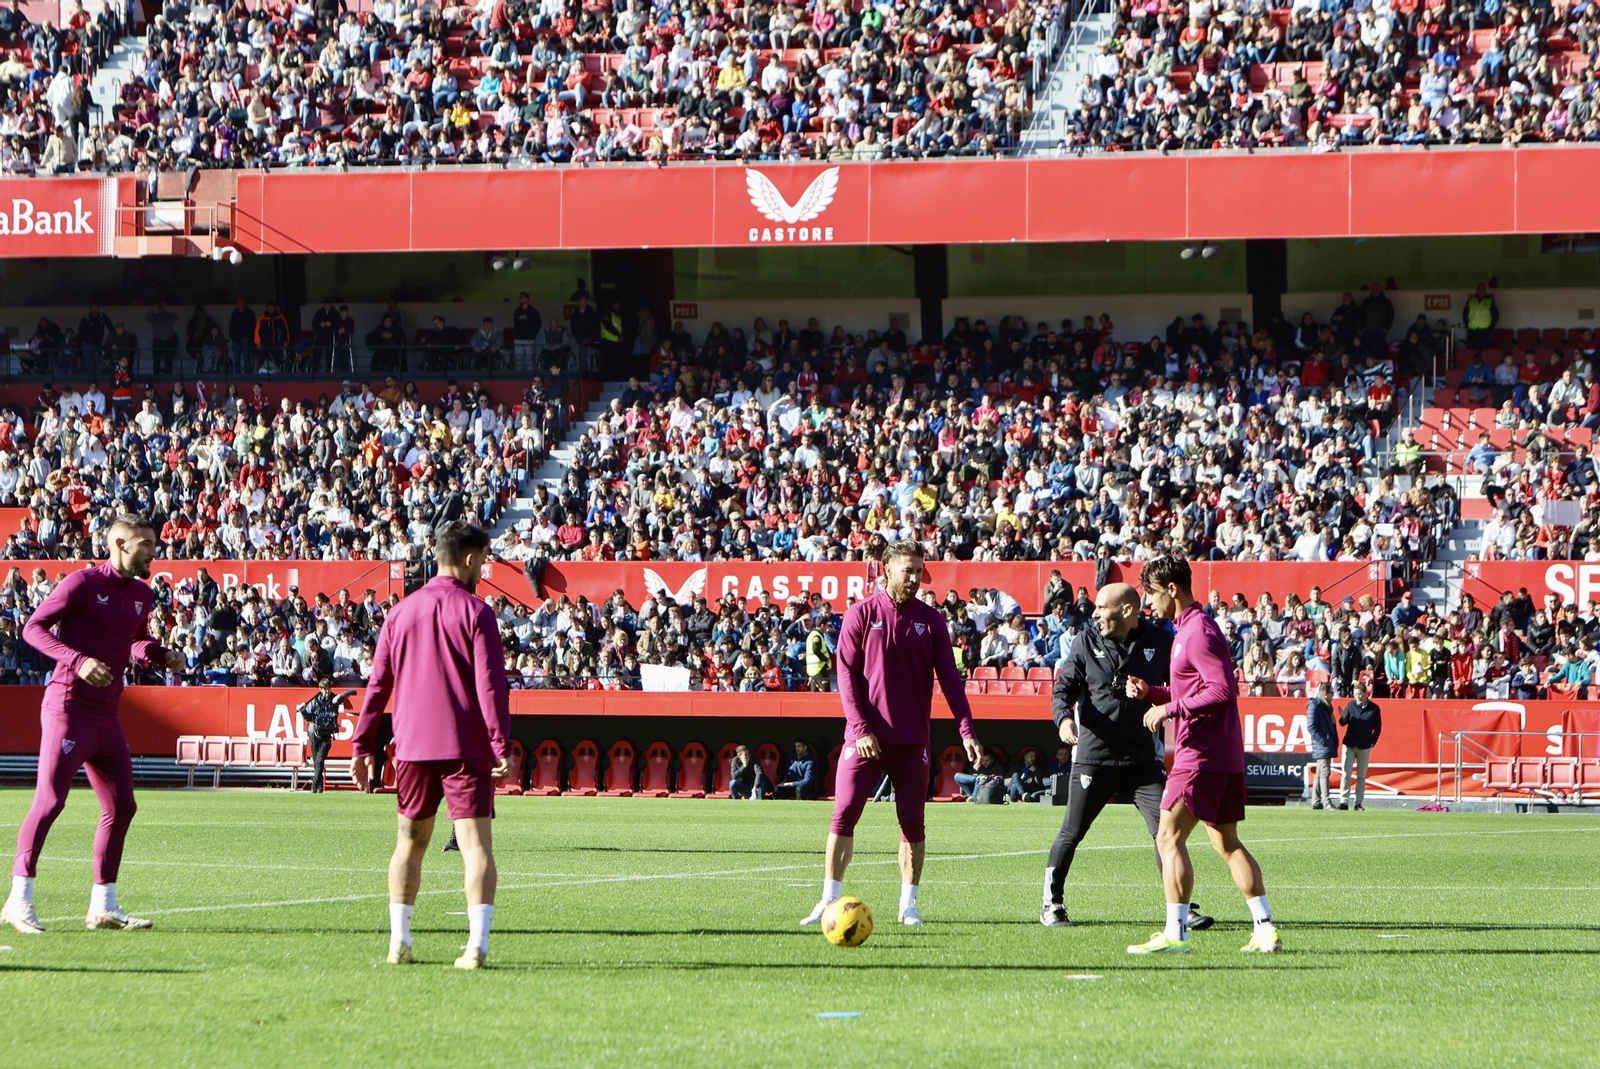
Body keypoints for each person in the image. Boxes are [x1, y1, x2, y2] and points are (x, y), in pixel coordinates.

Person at [4, 514, 184, 934]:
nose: (153, 552)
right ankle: (18, 900)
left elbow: (135, 641)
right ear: (119, 545)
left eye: (154, 544)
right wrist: (78, 660)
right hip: (68, 709)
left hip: (107, 714)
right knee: (49, 803)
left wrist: (159, 655)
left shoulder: (142, 593)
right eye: (146, 545)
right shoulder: (81, 584)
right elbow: (33, 629)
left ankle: (103, 906)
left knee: (122, 806)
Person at [349, 521, 513, 969]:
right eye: (484, 558)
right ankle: (476, 947)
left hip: (414, 747)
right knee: (476, 847)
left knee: (408, 844)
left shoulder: (399, 612)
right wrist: (501, 742)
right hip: (465, 747)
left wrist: (362, 745)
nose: (484, 566)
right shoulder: (478, 613)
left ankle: (399, 941)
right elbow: (490, 686)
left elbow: (377, 685)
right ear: (469, 559)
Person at [799, 540, 982, 928]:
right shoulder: (860, 615)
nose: (915, 578)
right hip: (864, 739)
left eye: (919, 570)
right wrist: (861, 728)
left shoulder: (931, 621)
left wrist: (966, 730)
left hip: (913, 740)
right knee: (843, 815)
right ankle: (829, 900)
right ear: (887, 570)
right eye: (908, 570)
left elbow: (950, 680)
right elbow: (845, 677)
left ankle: (908, 905)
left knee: (912, 822)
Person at [1124, 555, 1281, 955]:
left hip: (1201, 756)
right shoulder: (1191, 629)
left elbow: (1221, 691)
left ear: (1171, 589)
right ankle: (1264, 930)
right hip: (1220, 755)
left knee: (1167, 836)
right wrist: (1154, 694)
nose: (1150, 604)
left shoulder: (1197, 632)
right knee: (1227, 844)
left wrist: (1167, 710)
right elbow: (1195, 689)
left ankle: (1176, 933)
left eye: (1153, 595)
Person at [1040, 583, 1211, 931]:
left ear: (1128, 610)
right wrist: (1064, 719)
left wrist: (1167, 706)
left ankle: (1181, 908)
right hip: (1094, 758)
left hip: (1141, 763)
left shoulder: (1162, 642)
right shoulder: (1085, 641)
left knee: (1167, 833)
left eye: (1103, 607)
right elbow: (1063, 688)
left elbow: (1183, 688)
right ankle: (1051, 903)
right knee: (1072, 831)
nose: (1096, 613)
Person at [297, 678, 355, 793]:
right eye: (325, 689)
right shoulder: (314, 701)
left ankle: (314, 787)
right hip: (314, 732)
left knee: (319, 760)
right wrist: (303, 711)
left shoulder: (334, 698)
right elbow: (309, 718)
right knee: (316, 761)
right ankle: (319, 788)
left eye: (329, 689)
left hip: (327, 733)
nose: (327, 692)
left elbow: (353, 691)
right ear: (320, 689)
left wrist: (342, 695)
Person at [1338, 680, 1382, 811]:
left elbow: (1378, 728)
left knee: (1361, 776)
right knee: (1346, 773)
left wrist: (1372, 742)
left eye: (1359, 693)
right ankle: (1343, 801)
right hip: (1350, 744)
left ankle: (1358, 802)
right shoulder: (1351, 705)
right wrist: (1343, 717)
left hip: (1364, 746)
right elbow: (1343, 723)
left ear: (1365, 693)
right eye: (1355, 694)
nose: (1357, 696)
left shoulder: (1374, 708)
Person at [1305, 682, 1338, 810]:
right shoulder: (1315, 705)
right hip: (1322, 745)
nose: (1333, 696)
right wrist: (1323, 740)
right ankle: (1326, 801)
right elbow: (1311, 726)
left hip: (1326, 743)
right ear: (1325, 693)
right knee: (1325, 772)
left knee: (1320, 772)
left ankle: (1316, 800)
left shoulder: (1325, 706)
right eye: (1332, 693)